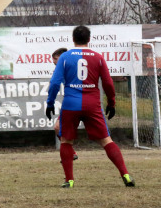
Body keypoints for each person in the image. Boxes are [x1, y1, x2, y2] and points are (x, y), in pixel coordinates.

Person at [46, 26, 134, 188]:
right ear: (89, 39)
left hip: (71, 104)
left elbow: (55, 83)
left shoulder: (65, 57)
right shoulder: (98, 57)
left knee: (66, 141)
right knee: (106, 140)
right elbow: (108, 83)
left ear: (73, 39)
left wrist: (50, 103)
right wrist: (111, 103)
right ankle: (126, 175)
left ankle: (69, 180)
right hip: (92, 104)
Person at [51, 47, 78, 162]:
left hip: (81, 102)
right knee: (57, 128)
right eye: (53, 60)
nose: (54, 62)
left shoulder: (73, 67)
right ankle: (71, 153)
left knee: (102, 137)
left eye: (56, 59)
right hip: (70, 103)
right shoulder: (60, 69)